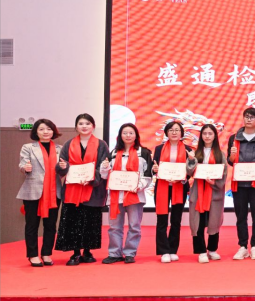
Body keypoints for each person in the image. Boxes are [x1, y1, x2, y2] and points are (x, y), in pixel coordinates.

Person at [54, 113, 110, 266]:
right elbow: (61, 165)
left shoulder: (101, 144)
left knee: (90, 221)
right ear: (76, 127)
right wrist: (62, 166)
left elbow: (103, 166)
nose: (84, 126)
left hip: (93, 189)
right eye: (81, 124)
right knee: (73, 222)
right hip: (72, 189)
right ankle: (75, 253)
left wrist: (92, 178)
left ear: (93, 126)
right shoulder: (68, 144)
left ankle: (87, 251)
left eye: (87, 123)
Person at [101, 123, 153, 264]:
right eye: (125, 133)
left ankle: (130, 253)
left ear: (136, 135)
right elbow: (105, 176)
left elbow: (148, 175)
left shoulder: (144, 153)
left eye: (131, 133)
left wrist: (138, 186)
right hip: (116, 196)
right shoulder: (113, 153)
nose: (128, 136)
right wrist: (104, 168)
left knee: (134, 226)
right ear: (120, 136)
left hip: (135, 195)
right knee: (114, 227)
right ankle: (114, 253)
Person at [17, 119, 64, 267]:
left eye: (49, 129)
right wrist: (25, 168)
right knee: (32, 225)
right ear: (36, 132)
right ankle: (32, 255)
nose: (46, 132)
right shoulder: (28, 147)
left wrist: (64, 167)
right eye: (42, 129)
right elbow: (22, 164)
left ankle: (46, 253)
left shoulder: (60, 148)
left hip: (54, 192)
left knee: (50, 225)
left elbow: (63, 170)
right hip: (33, 191)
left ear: (53, 131)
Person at [227, 107, 255, 260]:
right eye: (246, 116)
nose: (249, 119)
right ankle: (243, 246)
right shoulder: (234, 138)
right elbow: (230, 161)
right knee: (241, 216)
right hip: (239, 184)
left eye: (252, 117)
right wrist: (232, 156)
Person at [152, 121, 192, 263]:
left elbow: (191, 170)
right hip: (162, 186)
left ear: (181, 133)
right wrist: (154, 170)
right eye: (171, 130)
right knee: (162, 220)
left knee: (176, 220)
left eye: (177, 130)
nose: (174, 132)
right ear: (166, 133)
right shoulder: (158, 149)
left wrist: (183, 177)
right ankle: (163, 251)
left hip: (179, 187)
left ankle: (173, 250)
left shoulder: (188, 149)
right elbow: (154, 168)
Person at [187, 124, 227, 263]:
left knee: (214, 221)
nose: (207, 136)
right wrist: (191, 161)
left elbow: (224, 174)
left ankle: (212, 249)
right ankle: (202, 251)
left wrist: (214, 182)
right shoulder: (195, 153)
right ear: (201, 136)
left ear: (215, 136)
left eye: (210, 133)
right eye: (205, 133)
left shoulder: (220, 154)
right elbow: (189, 172)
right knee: (197, 223)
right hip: (198, 193)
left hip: (214, 193)